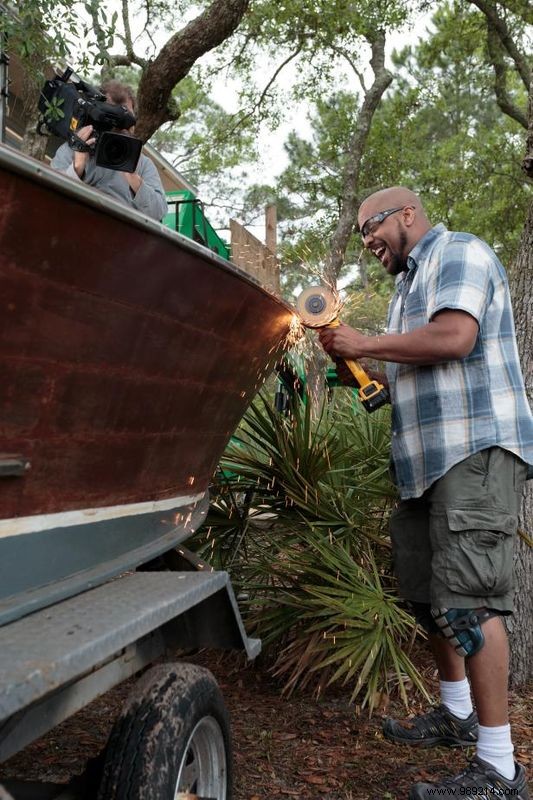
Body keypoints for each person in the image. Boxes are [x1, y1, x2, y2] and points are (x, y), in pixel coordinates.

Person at [318, 186, 533, 800]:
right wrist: (358, 366)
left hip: (475, 452)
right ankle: (457, 715)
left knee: (471, 601)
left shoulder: (457, 253)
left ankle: (499, 770)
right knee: (429, 595)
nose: (366, 243)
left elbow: (454, 339)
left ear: (406, 214)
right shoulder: (405, 290)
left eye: (370, 228)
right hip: (422, 463)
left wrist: (364, 344)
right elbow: (408, 362)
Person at [51, 79, 167, 222]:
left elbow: (158, 213)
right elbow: (51, 197)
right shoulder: (71, 150)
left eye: (126, 118)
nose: (120, 125)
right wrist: (78, 166)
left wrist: (134, 178)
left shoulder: (142, 163)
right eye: (111, 115)